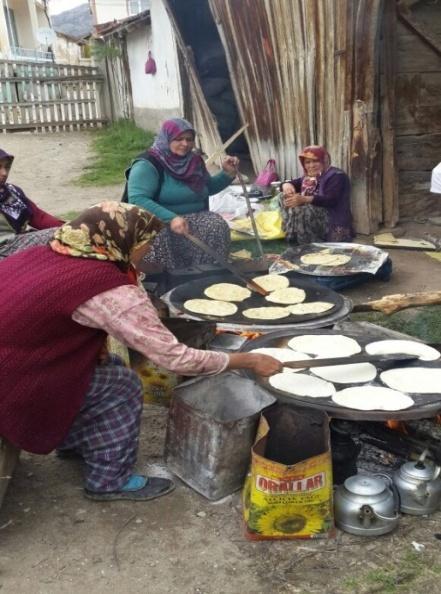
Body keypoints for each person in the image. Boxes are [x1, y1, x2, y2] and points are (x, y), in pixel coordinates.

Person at [0, 202, 282, 502]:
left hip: (20, 357)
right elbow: (176, 358)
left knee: (108, 369)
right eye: (146, 244)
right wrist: (249, 359)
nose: (148, 253)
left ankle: (74, 442)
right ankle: (109, 481)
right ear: (124, 241)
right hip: (15, 377)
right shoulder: (106, 287)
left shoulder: (49, 251)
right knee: (122, 386)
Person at [126, 117, 238, 270]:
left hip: (192, 218)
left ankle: (207, 274)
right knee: (159, 235)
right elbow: (137, 198)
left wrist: (227, 174)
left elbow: (207, 188)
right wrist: (171, 218)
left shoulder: (194, 161)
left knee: (217, 225)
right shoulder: (148, 164)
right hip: (156, 220)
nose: (185, 144)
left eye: (189, 139)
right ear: (166, 138)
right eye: (178, 139)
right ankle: (165, 281)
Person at [280, 145, 354, 244]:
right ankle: (293, 236)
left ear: (325, 160)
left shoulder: (337, 176)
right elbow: (294, 183)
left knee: (299, 210)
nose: (311, 165)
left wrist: (304, 199)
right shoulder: (310, 177)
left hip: (333, 218)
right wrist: (286, 185)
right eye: (307, 162)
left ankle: (309, 243)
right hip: (318, 216)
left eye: (315, 161)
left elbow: (331, 200)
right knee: (283, 196)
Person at [0, 148, 63, 259]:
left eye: (6, 167)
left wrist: (69, 226)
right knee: (58, 235)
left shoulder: (12, 191)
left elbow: (38, 217)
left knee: (65, 233)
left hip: (18, 242)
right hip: (4, 250)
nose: (4, 173)